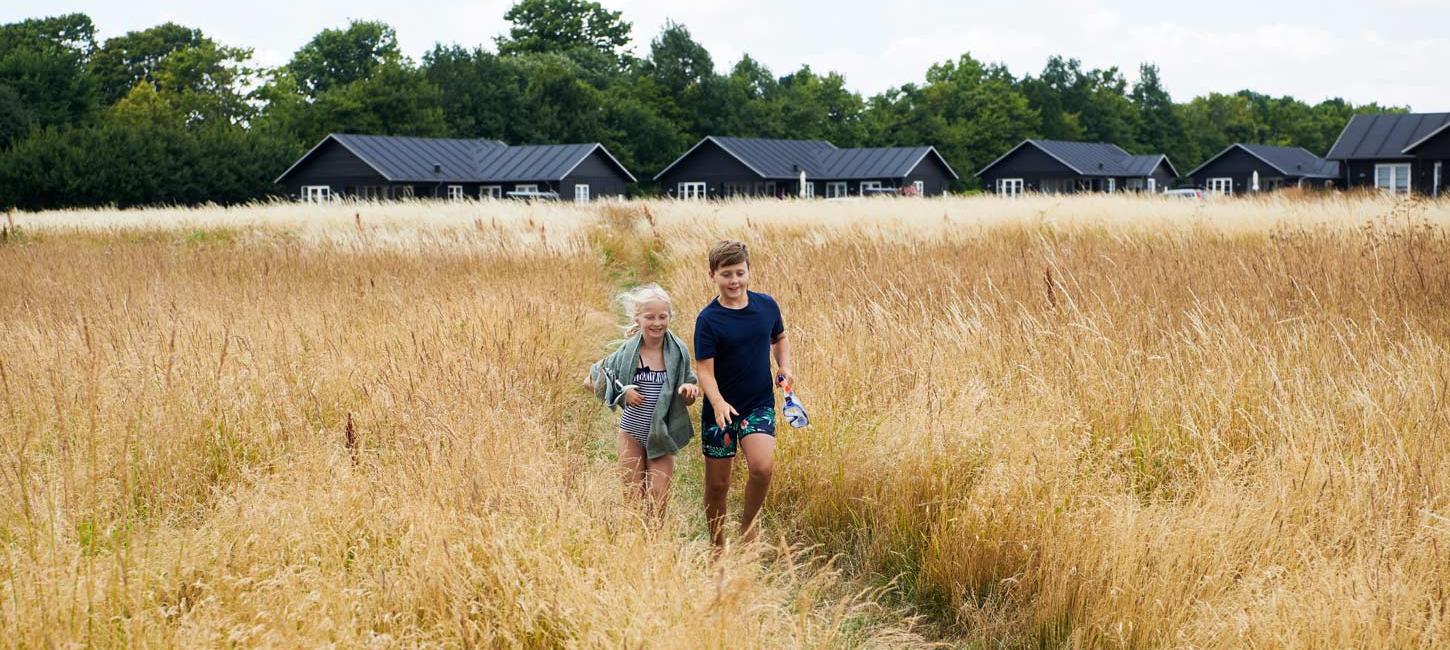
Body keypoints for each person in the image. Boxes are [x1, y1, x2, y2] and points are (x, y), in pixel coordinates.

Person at [694, 240, 795, 549]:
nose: (734, 281)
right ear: (713, 275)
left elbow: (780, 337)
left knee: (763, 468)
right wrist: (718, 401)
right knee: (717, 484)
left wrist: (784, 367)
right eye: (726, 274)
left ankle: (748, 528)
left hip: (758, 403)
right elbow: (704, 371)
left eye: (740, 272)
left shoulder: (766, 306)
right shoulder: (708, 320)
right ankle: (716, 543)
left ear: (749, 272)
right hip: (720, 409)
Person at [585, 284, 701, 516]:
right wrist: (621, 394)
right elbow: (590, 381)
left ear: (670, 317)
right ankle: (638, 547)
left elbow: (689, 388)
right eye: (649, 317)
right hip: (631, 433)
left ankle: (655, 545)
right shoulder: (627, 352)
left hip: (662, 434)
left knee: (658, 498)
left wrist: (689, 391)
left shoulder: (678, 352)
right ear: (637, 319)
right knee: (633, 498)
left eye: (662, 316)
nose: (657, 322)